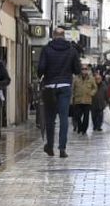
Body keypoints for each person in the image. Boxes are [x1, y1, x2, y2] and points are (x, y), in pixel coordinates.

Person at [37, 27, 79, 157]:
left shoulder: (46, 49)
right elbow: (77, 69)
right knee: (63, 118)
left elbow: (41, 68)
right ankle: (62, 149)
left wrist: (41, 75)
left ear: (53, 35)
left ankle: (50, 146)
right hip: (65, 85)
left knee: (50, 118)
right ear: (64, 36)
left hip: (50, 86)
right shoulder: (72, 50)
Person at [72, 65, 95, 136]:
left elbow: (95, 87)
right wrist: (72, 97)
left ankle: (84, 129)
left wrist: (92, 93)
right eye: (82, 69)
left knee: (86, 116)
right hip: (78, 100)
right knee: (77, 115)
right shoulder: (76, 78)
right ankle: (80, 127)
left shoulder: (91, 79)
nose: (84, 70)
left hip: (87, 100)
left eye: (85, 69)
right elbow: (72, 88)